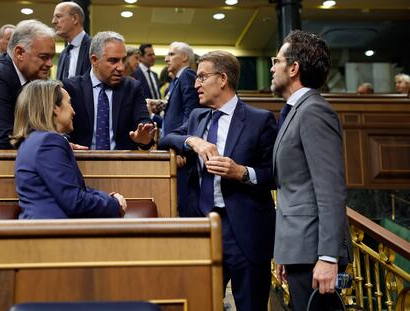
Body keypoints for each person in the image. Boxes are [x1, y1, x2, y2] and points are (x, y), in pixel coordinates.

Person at [159, 50, 277, 311]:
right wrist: (192, 141)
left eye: (202, 77)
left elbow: (274, 175)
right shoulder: (197, 117)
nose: (195, 84)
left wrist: (242, 172)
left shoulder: (260, 120)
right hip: (201, 227)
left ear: (222, 79)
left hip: (245, 230)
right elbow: (166, 138)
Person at [271, 30, 352, 311]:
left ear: (293, 68)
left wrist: (329, 257)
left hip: (316, 254)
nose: (272, 67)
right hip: (300, 251)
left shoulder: (313, 111)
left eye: (276, 61)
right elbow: (294, 187)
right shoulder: (296, 110)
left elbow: (330, 190)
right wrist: (285, 252)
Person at [11, 79, 126, 219]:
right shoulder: (49, 142)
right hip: (54, 235)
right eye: (69, 103)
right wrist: (114, 204)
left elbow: (73, 190)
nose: (73, 111)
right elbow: (75, 201)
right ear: (54, 107)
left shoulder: (32, 142)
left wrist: (107, 198)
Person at [62, 31, 156, 150]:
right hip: (80, 163)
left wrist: (144, 139)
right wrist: (65, 143)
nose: (121, 67)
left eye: (123, 60)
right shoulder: (70, 88)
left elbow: (144, 126)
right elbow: (60, 128)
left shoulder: (132, 88)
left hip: (122, 165)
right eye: (113, 60)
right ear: (95, 60)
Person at [0, 19, 55, 149]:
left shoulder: (32, 79)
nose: (50, 64)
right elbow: (4, 139)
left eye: (51, 57)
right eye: (44, 57)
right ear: (20, 53)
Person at [163, 41, 200, 216]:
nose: (166, 59)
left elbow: (190, 113)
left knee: (185, 204)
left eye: (171, 54)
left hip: (182, 154)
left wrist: (181, 149)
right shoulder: (177, 80)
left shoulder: (187, 75)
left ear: (184, 57)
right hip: (176, 149)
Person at [53, 1, 91, 81]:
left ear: (75, 18)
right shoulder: (63, 53)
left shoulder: (94, 47)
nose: (54, 21)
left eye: (58, 16)